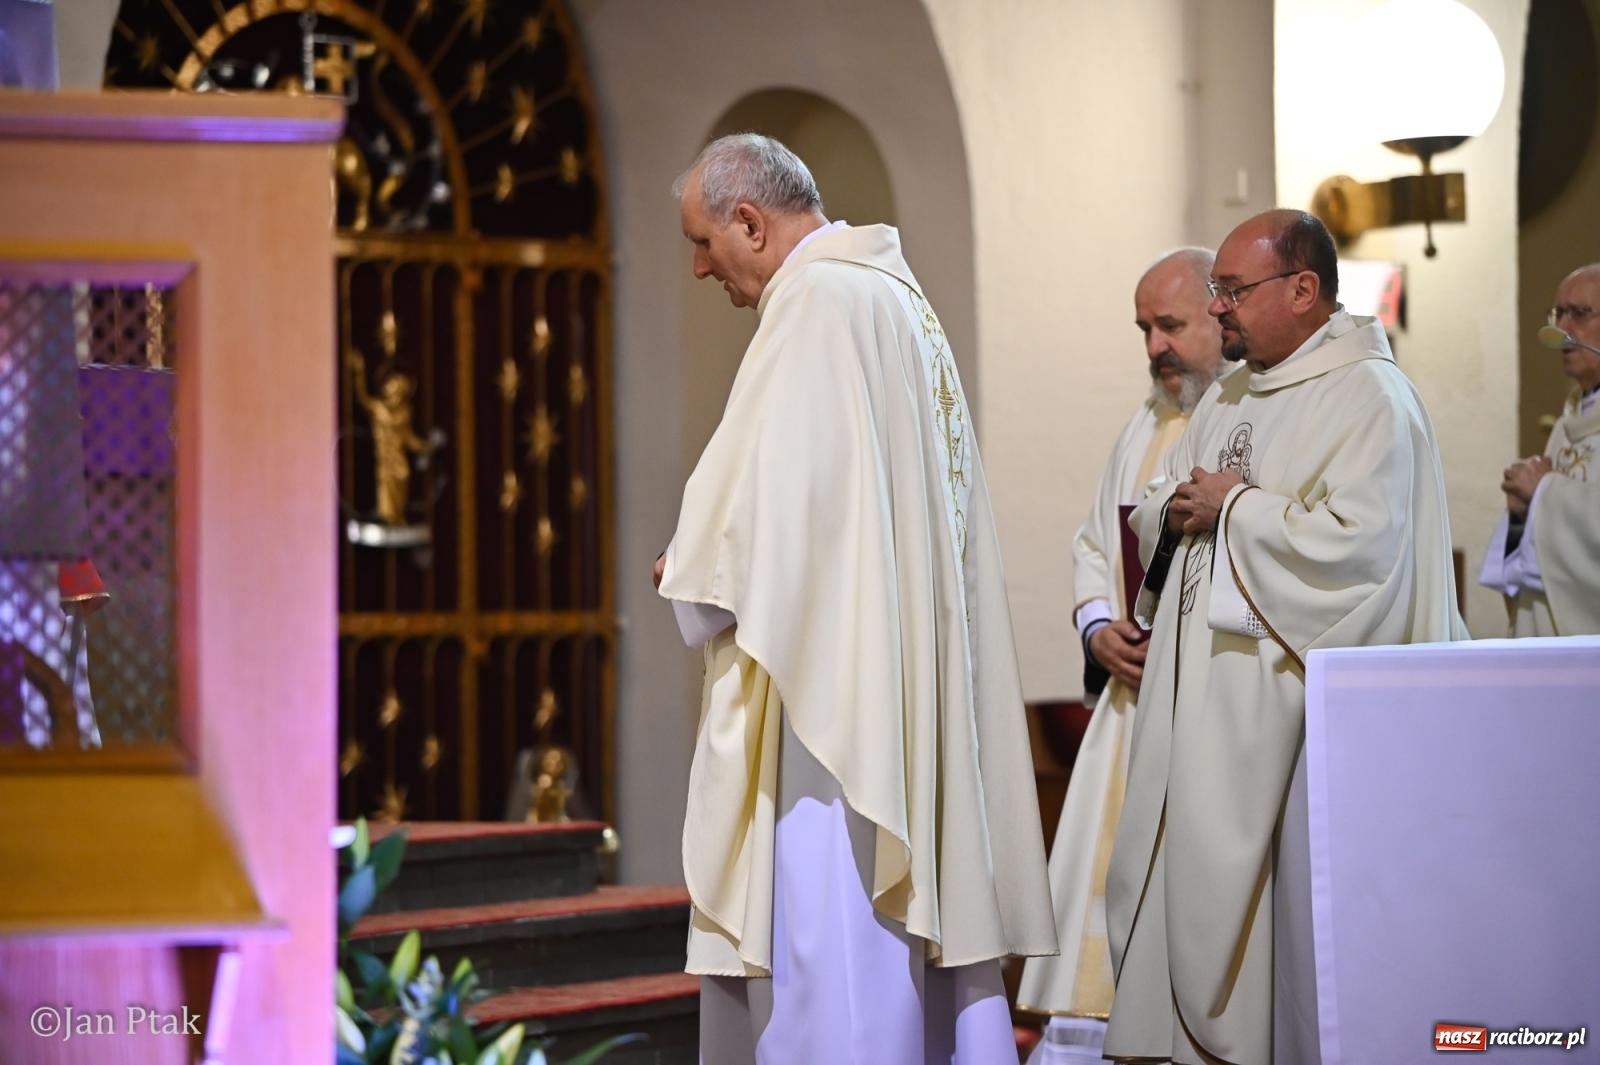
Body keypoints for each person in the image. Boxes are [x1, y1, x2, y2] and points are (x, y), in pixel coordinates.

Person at [653, 133, 1056, 1064]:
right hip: (895, 671)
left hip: (837, 703)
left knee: (831, 934)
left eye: (703, 242)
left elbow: (772, 510)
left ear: (750, 221)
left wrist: (689, 566)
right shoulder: (893, 297)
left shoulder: (817, 302)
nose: (701, 268)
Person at [1104, 209, 1466, 1065]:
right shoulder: (1230, 390)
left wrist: (1235, 509)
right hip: (1203, 714)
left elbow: (1360, 554)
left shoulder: (1369, 398)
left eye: (1233, 290)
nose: (1218, 308)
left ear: (1303, 289)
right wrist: (1195, 506)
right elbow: (1163, 499)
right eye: (1217, 292)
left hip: (1293, 726)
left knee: (1291, 941)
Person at [1016, 249, 1222, 1051]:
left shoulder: (1243, 414)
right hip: (1136, 700)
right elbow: (1093, 542)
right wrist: (1098, 624)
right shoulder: (1145, 422)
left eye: (1170, 325)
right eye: (1144, 328)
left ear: (1220, 313)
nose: (1154, 347)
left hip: (1206, 704)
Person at [1478, 263, 1600, 636]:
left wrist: (1544, 491)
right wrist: (1521, 514)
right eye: (1558, 314)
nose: (1561, 330)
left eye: (1578, 314)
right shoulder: (1568, 424)